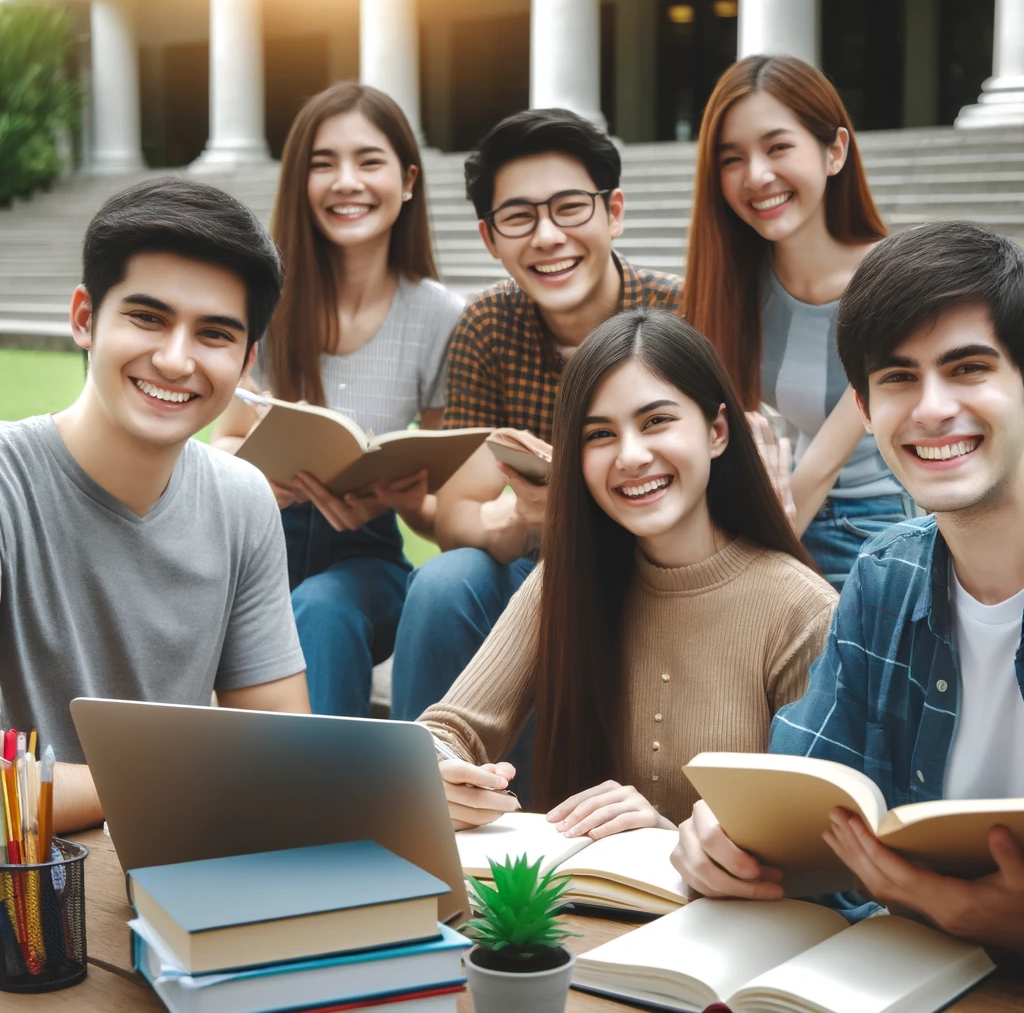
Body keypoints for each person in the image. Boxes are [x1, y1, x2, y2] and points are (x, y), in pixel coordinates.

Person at [672, 221, 1024, 954]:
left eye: (967, 369)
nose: (931, 409)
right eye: (898, 378)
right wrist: (724, 840)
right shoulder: (884, 574)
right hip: (898, 975)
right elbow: (802, 798)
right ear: (864, 410)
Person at [418, 308, 836, 835]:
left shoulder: (804, 610)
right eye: (599, 435)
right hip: (575, 910)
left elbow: (809, 843)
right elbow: (449, 728)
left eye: (656, 421)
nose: (632, 456)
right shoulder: (567, 578)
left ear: (717, 432)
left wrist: (665, 834)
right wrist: (438, 772)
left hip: (725, 914)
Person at [0, 177, 310, 834]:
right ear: (84, 318)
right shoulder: (8, 486)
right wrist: (191, 775)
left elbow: (284, 750)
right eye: (147, 318)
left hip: (172, 882)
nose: (175, 360)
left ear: (247, 360)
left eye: (215, 334)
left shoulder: (240, 499)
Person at [390, 108, 683, 727]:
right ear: (489, 239)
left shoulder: (676, 313)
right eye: (519, 217)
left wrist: (579, 511)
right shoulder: (487, 327)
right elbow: (455, 516)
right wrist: (515, 521)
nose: (547, 237)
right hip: (533, 567)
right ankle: (417, 789)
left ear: (615, 212)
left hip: (654, 572)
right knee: (447, 583)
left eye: (570, 207)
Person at [213, 83, 464, 717]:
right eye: (323, 163)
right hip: (263, 545)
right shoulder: (265, 300)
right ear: (300, 182)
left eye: (368, 161)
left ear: (408, 180)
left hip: (366, 557)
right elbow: (225, 442)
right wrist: (257, 477)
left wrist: (401, 497)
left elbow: (444, 492)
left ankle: (324, 802)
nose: (345, 181)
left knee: (322, 610)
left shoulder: (439, 315)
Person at [682, 54, 913, 588]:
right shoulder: (734, 283)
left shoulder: (894, 279)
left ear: (834, 151)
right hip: (797, 508)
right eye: (731, 158)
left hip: (891, 517)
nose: (757, 176)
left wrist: (741, 570)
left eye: (778, 146)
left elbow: (826, 463)